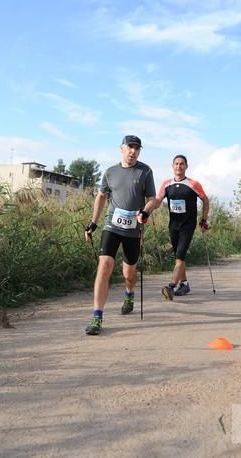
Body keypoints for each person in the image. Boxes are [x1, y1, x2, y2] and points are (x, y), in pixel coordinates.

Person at [83, 135, 157, 335]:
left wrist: (145, 211)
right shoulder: (110, 172)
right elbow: (101, 196)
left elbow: (152, 198)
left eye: (137, 149)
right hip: (111, 226)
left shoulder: (145, 171)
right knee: (104, 266)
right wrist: (93, 223)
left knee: (129, 274)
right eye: (130, 147)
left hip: (133, 230)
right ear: (121, 148)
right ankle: (97, 316)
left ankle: (129, 294)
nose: (133, 151)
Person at [155, 155, 210, 301]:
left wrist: (204, 220)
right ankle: (184, 284)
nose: (179, 166)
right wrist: (147, 210)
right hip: (173, 225)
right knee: (179, 257)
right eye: (176, 164)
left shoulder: (193, 184)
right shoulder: (166, 184)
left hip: (188, 225)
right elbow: (158, 200)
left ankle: (171, 287)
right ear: (172, 166)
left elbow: (205, 200)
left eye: (182, 164)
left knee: (179, 256)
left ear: (186, 166)